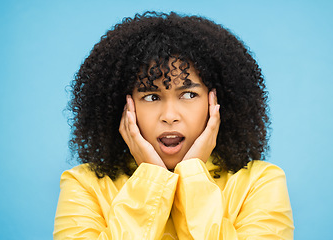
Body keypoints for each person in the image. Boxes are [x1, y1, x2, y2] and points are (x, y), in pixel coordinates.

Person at [53, 11, 294, 239]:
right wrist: (151, 179)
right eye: (151, 97)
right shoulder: (83, 186)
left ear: (217, 102)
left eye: (188, 94)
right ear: (124, 107)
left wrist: (192, 175)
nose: (169, 116)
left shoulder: (261, 183)